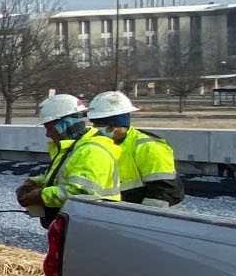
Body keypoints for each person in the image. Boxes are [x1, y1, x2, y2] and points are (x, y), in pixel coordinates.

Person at [15, 94, 121, 226]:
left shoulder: (92, 151)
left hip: (92, 226)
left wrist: (40, 195)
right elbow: (63, 177)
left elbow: (80, 193)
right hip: (80, 224)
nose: (48, 134)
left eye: (49, 128)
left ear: (65, 124)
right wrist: (35, 182)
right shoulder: (75, 148)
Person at [87, 91, 185, 207]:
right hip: (118, 211)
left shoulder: (149, 147)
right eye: (95, 125)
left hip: (148, 215)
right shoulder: (99, 144)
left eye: (102, 126)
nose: (97, 130)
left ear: (115, 125)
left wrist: (141, 218)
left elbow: (165, 192)